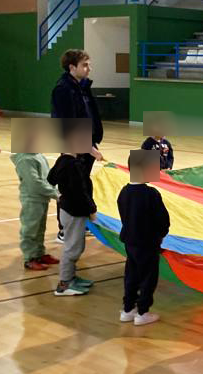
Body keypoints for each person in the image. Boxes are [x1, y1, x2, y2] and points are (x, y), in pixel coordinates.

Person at [51, 49, 104, 243]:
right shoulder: (63, 89)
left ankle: (82, 223)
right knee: (70, 186)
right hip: (75, 145)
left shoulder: (82, 87)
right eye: (84, 65)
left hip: (88, 143)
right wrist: (87, 147)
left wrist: (92, 141)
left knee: (83, 184)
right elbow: (66, 122)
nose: (89, 68)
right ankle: (64, 229)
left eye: (89, 64)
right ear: (72, 67)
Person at [117, 150, 170, 326]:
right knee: (148, 277)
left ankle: (127, 309)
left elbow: (124, 216)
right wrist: (160, 235)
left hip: (130, 242)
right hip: (148, 243)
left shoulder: (124, 192)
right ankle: (142, 312)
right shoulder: (151, 194)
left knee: (131, 275)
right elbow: (163, 220)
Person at [47, 122, 97, 296]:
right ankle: (64, 283)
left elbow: (51, 178)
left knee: (73, 245)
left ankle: (71, 277)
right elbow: (80, 192)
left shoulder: (63, 160)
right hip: (75, 211)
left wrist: (62, 193)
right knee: (73, 248)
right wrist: (92, 209)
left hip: (66, 209)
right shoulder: (73, 165)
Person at [11, 132, 61, 271]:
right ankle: (30, 258)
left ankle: (39, 254)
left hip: (42, 197)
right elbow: (35, 183)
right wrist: (55, 194)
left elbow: (47, 177)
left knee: (40, 228)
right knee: (30, 229)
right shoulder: (25, 159)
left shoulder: (37, 155)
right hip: (32, 199)